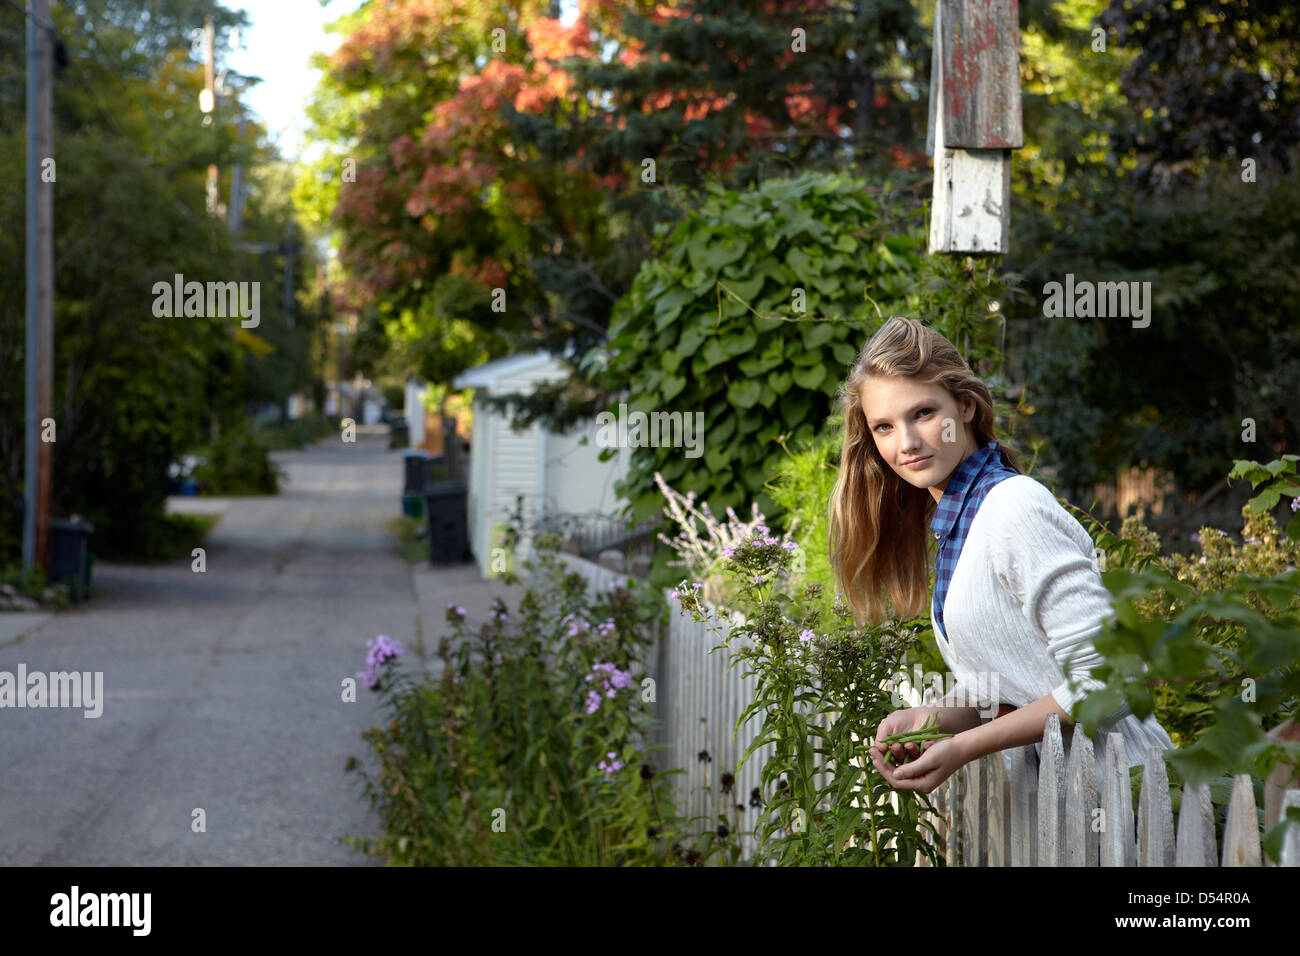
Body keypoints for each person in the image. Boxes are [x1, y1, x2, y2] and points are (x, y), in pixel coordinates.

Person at [827, 316, 1174, 795]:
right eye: (884, 426)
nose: (905, 443)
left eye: (923, 413)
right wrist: (934, 719)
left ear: (966, 407)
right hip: (1061, 809)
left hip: (1127, 798)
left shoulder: (1014, 508)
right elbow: (1024, 686)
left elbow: (1111, 681)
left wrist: (966, 747)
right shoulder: (960, 522)